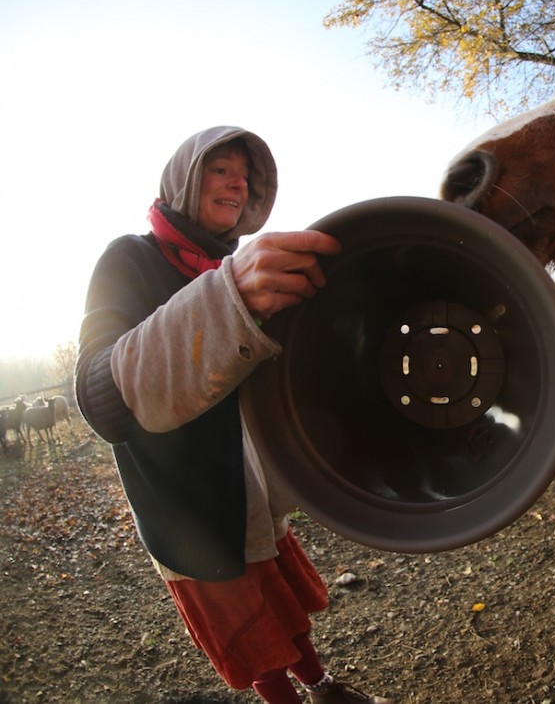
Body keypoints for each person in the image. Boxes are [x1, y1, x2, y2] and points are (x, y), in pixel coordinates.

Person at [74, 126, 392, 704]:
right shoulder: (131, 257)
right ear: (185, 180)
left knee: (280, 607)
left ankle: (322, 687)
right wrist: (228, 300)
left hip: (244, 484)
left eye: (244, 175)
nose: (237, 181)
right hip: (187, 502)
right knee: (249, 629)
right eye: (220, 167)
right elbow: (101, 400)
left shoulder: (237, 265)